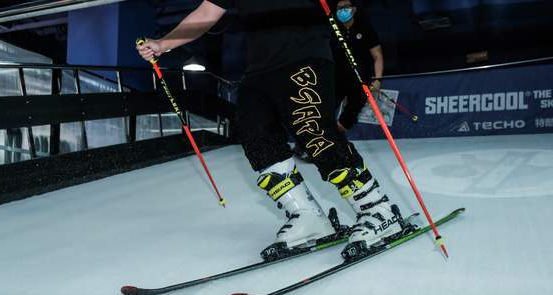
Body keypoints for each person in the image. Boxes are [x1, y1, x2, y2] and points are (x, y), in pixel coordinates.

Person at [137, 0, 405, 260]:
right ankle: (307, 215)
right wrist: (163, 44)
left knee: (314, 133)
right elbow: (206, 12)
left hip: (305, 56)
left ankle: (378, 210)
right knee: (253, 132)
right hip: (260, 68)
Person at [333, 0, 384, 133]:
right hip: (336, 78)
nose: (342, 10)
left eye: (345, 7)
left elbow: (377, 56)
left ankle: (335, 139)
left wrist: (378, 79)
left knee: (348, 117)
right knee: (322, 112)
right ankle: (310, 144)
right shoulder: (333, 29)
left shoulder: (364, 27)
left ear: (354, 9)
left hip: (360, 79)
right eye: (339, 8)